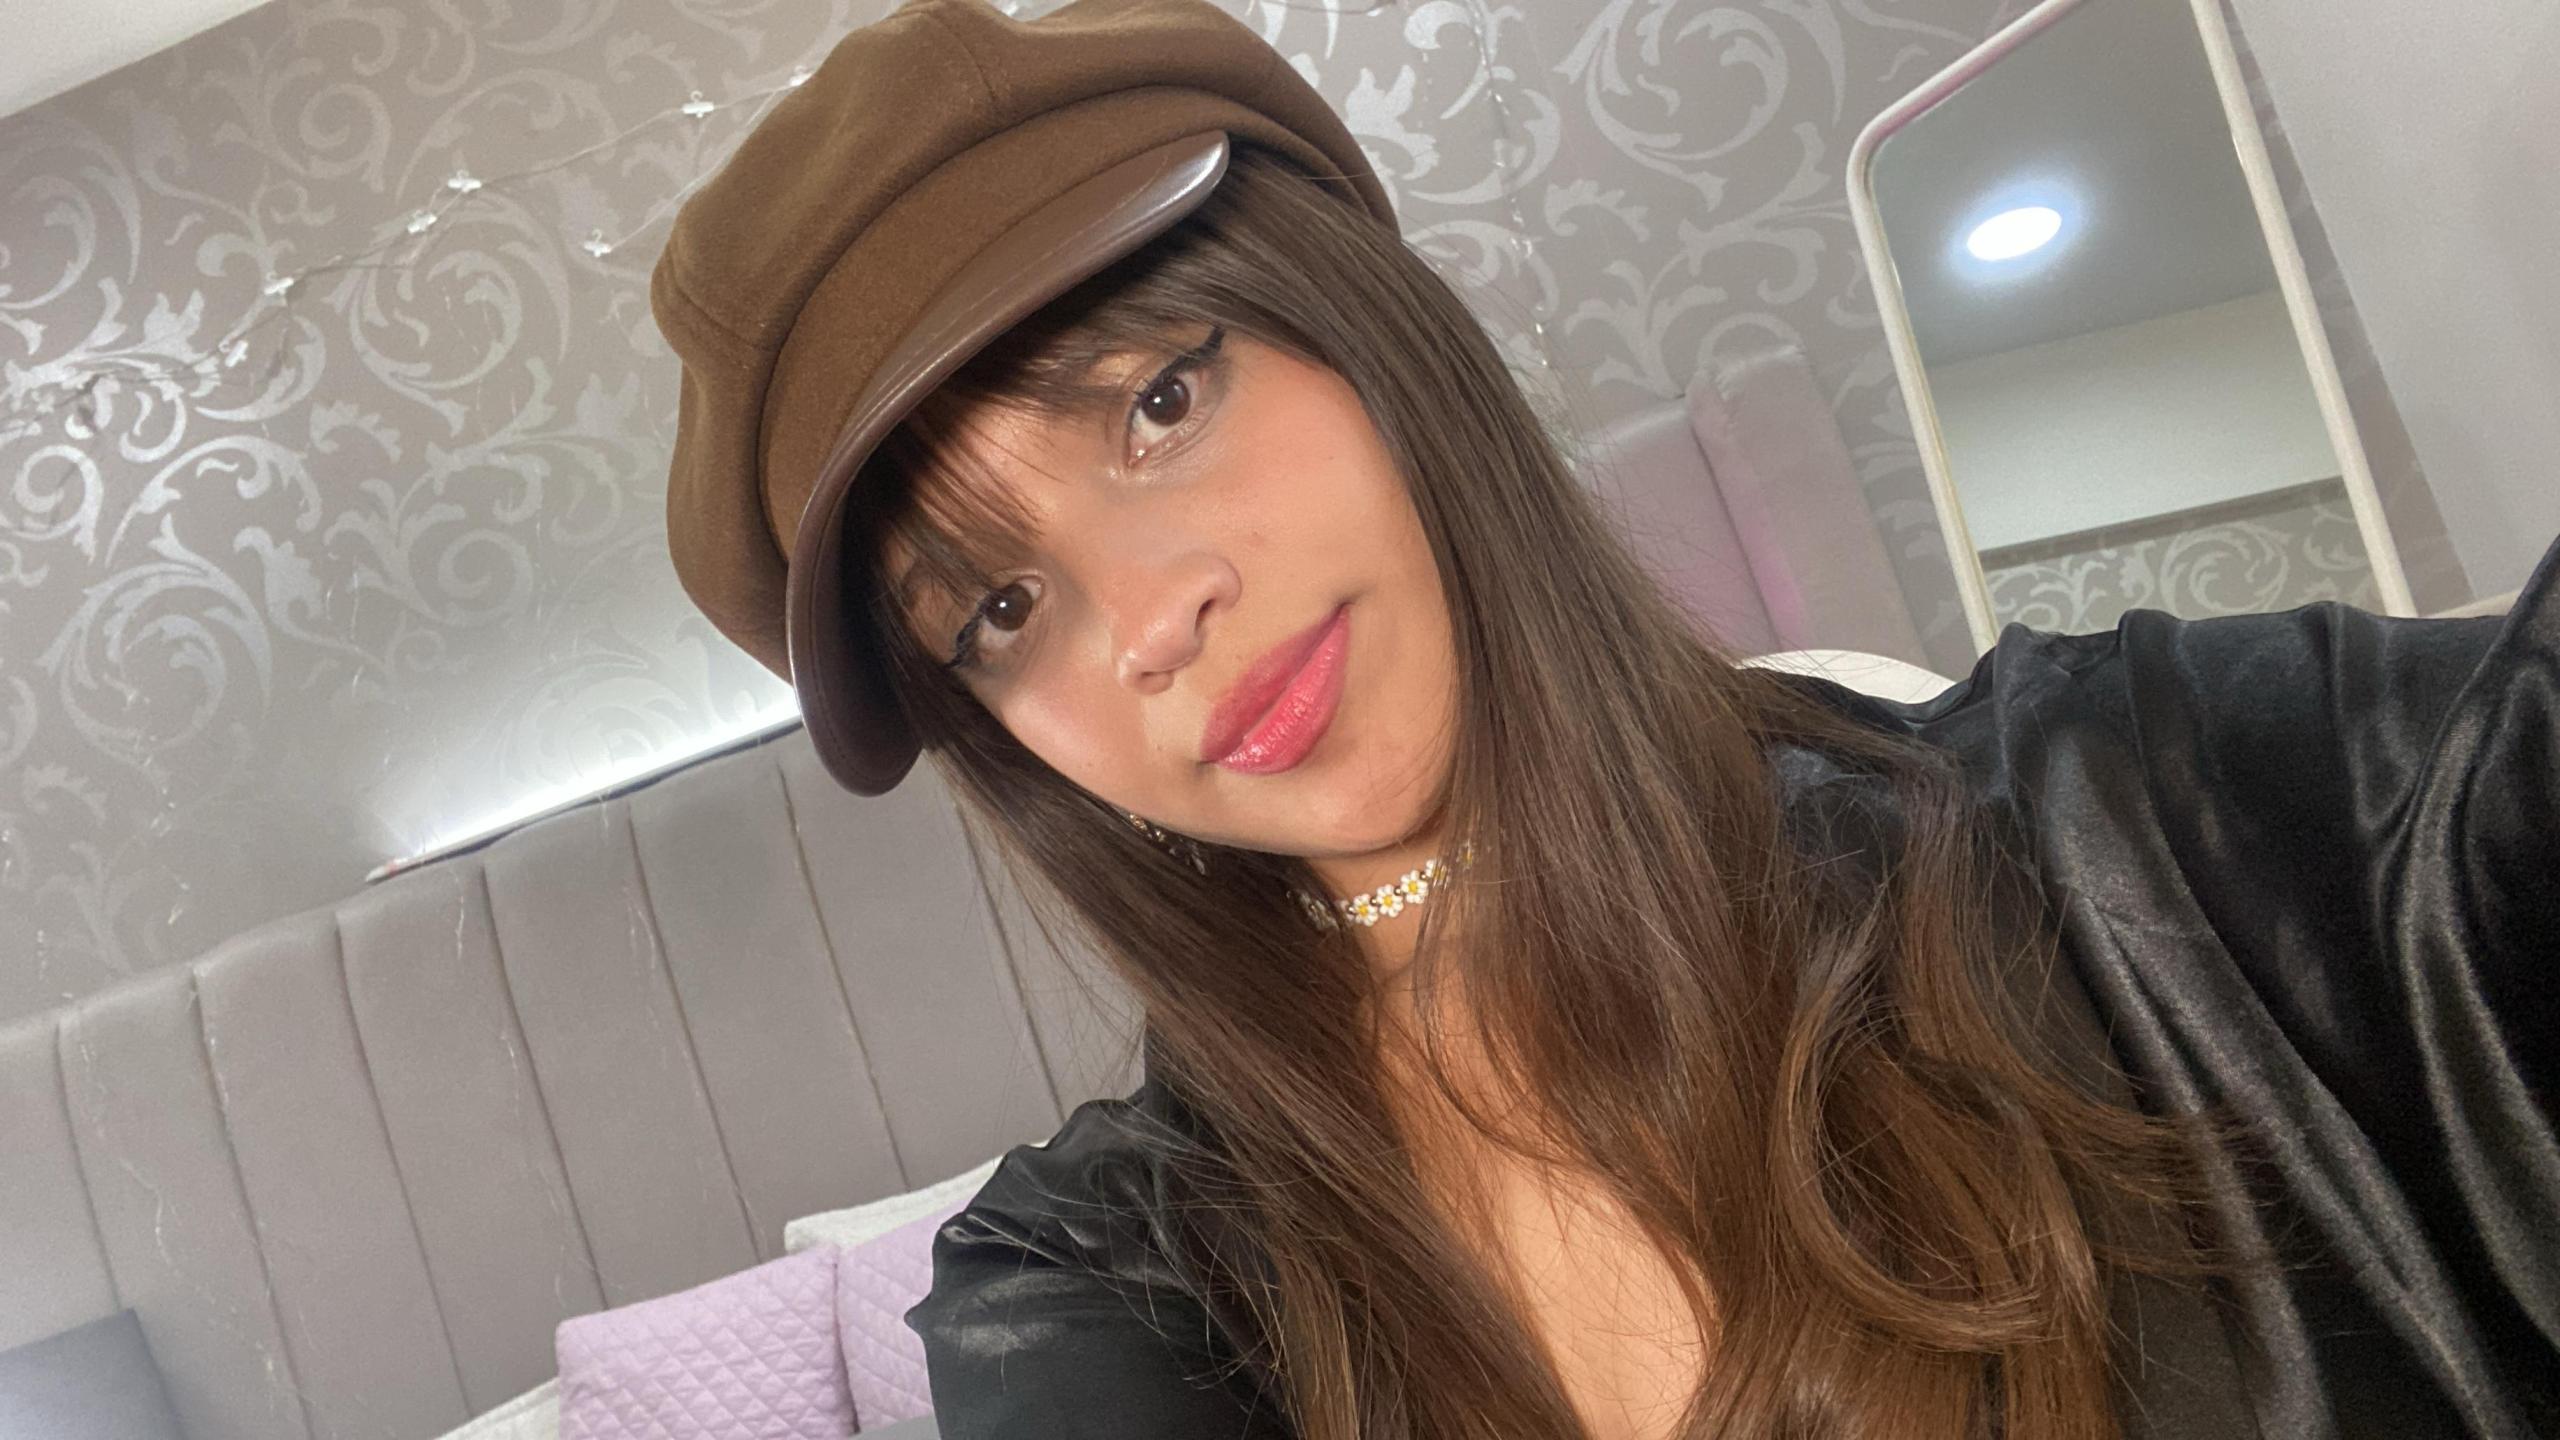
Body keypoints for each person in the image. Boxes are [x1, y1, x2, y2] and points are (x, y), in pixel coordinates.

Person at [648, 0, 2560, 1435]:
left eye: (1160, 402)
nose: (1154, 621)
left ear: (1367, 330)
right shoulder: (1100, 1281)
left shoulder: (2131, 804)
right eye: (998, 609)